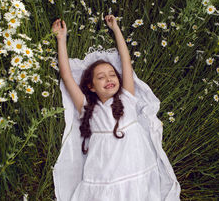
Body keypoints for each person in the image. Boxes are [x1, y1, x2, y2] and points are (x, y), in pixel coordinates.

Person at [51, 15, 181, 200]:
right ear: (91, 86)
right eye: (101, 77)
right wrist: (61, 39)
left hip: (135, 164)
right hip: (104, 170)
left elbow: (126, 62)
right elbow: (66, 75)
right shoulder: (88, 107)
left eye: (112, 74)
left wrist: (116, 29)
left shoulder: (127, 97)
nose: (109, 79)